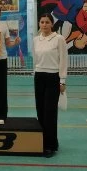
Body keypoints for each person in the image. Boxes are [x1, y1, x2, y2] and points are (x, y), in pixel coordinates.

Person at [33, 13, 68, 158]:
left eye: (47, 22)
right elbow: (36, 59)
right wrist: (35, 72)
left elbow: (63, 60)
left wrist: (62, 80)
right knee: (40, 111)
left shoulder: (59, 39)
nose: (44, 25)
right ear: (39, 24)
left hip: (53, 77)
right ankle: (42, 141)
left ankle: (50, 145)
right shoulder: (36, 39)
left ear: (52, 24)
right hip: (39, 76)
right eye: (42, 22)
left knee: (50, 112)